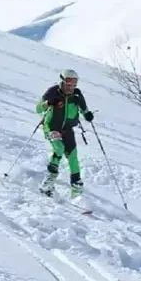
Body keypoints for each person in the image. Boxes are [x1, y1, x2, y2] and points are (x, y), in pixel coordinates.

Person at [35, 69, 94, 198]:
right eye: (68, 84)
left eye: (74, 84)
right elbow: (38, 108)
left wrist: (88, 115)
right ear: (62, 81)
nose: (70, 87)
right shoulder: (53, 92)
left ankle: (76, 189)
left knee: (73, 156)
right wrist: (48, 103)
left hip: (67, 129)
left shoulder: (77, 95)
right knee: (59, 148)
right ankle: (49, 181)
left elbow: (85, 109)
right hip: (52, 126)